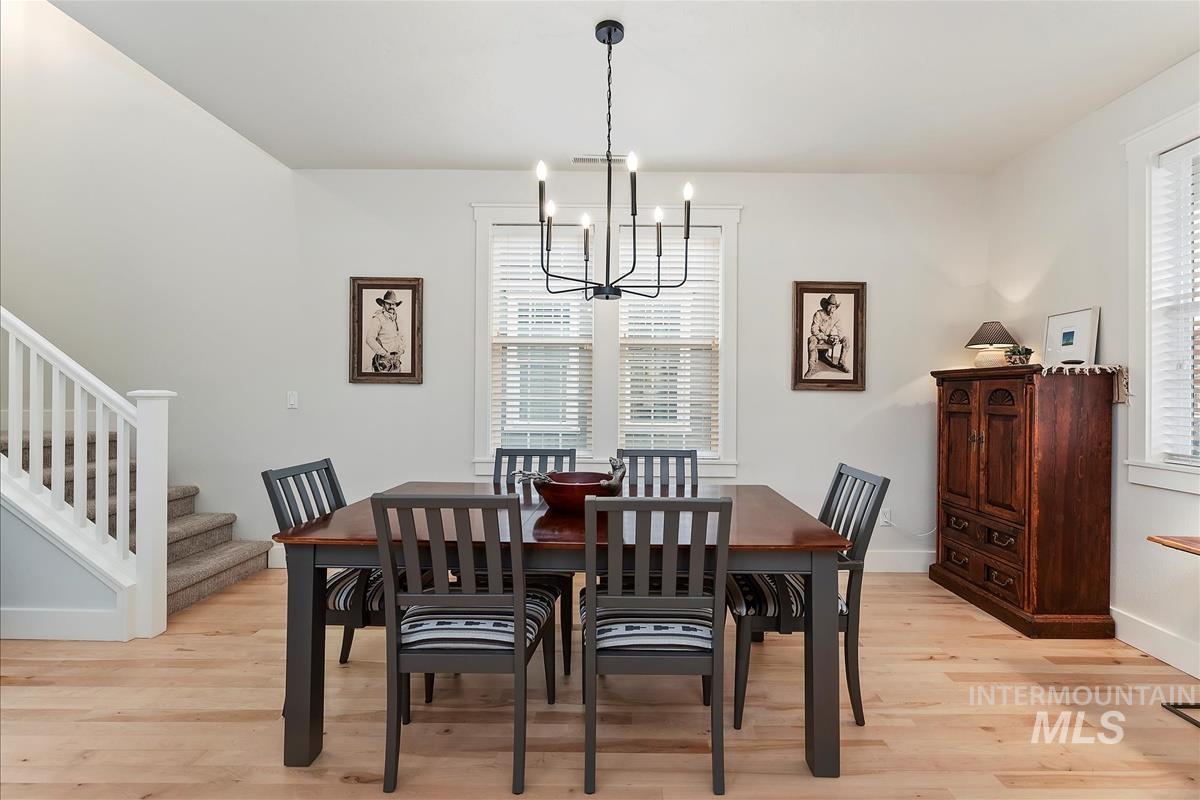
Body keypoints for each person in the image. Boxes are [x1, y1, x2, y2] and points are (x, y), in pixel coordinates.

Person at [805, 294, 849, 377]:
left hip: (830, 337)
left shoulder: (837, 316)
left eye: (833, 307)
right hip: (819, 337)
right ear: (826, 306)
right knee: (811, 339)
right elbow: (814, 330)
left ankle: (841, 363)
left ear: (835, 307)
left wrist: (836, 338)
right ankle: (811, 367)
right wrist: (825, 338)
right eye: (830, 307)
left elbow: (841, 331)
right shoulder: (818, 314)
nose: (831, 309)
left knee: (846, 339)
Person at [365, 290, 406, 372]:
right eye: (388, 303)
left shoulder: (396, 319)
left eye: (393, 304)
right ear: (383, 304)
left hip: (395, 362)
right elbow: (369, 339)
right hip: (383, 363)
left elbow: (401, 337)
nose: (391, 306)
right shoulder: (378, 318)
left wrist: (401, 350)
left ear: (395, 305)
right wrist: (385, 354)